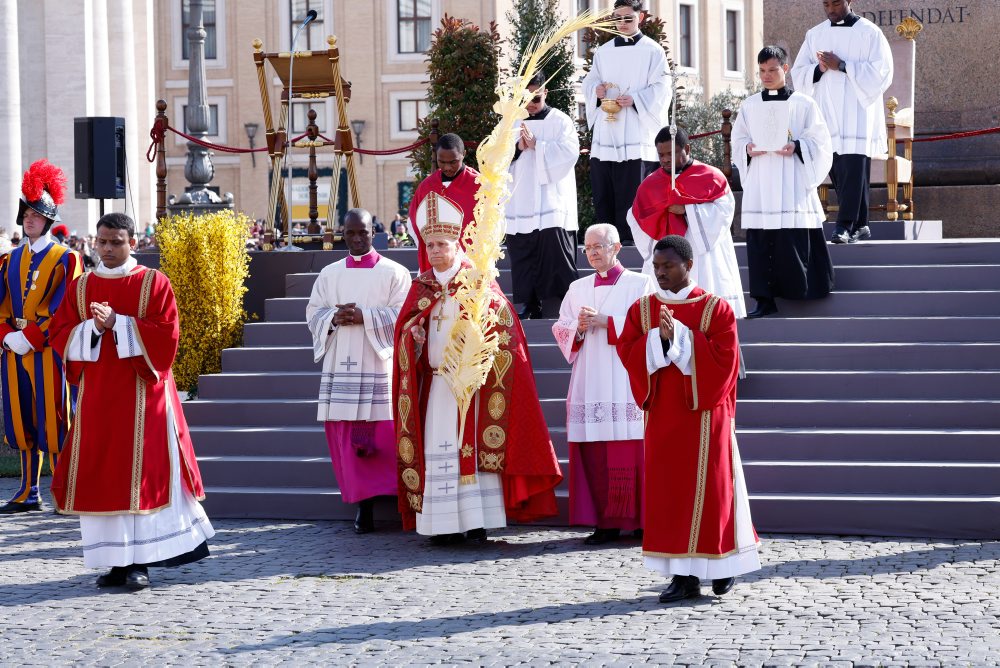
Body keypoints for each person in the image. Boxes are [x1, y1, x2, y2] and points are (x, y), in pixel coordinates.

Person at [48, 212, 214, 590]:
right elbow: (60, 335)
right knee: (103, 476)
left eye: (116, 242)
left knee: (141, 477)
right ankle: (115, 563)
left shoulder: (154, 282)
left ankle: (141, 563)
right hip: (97, 399)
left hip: (144, 398)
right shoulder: (81, 287)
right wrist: (92, 328)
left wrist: (118, 323)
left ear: (133, 243)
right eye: (102, 241)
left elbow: (167, 337)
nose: (107, 249)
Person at [393, 195, 562, 545]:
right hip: (437, 385)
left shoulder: (477, 282)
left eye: (442, 244)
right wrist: (415, 338)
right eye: (429, 245)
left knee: (469, 448)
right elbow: (405, 331)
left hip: (473, 387)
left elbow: (505, 327)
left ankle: (476, 522)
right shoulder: (421, 286)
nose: (435, 250)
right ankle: (441, 525)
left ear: (456, 244)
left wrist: (478, 339)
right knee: (439, 450)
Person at [617, 235, 760, 603]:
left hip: (706, 416)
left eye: (668, 266)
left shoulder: (716, 309)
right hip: (664, 418)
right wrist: (659, 341)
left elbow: (724, 363)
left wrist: (678, 337)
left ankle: (723, 565)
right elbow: (627, 351)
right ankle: (683, 577)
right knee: (670, 495)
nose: (660, 272)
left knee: (712, 492)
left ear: (689, 266)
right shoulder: (642, 310)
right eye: (656, 266)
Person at [305, 208, 412, 533]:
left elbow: (405, 314)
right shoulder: (330, 274)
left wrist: (365, 316)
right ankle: (362, 506)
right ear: (343, 234)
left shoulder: (395, 273)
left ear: (373, 232)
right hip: (342, 363)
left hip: (378, 363)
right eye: (350, 233)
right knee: (349, 438)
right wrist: (333, 318)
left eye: (362, 232)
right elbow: (313, 312)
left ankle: (402, 500)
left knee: (385, 435)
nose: (356, 238)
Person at [551, 223, 655, 545]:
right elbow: (561, 327)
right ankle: (605, 523)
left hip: (626, 378)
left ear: (617, 247)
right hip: (590, 377)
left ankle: (642, 522)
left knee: (632, 451)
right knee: (597, 455)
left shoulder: (640, 283)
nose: (593, 252)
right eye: (588, 247)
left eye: (599, 246)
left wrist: (607, 322)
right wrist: (578, 328)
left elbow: (651, 325)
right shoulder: (577, 288)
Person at [0, 160, 81, 514]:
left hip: (47, 350)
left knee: (55, 418)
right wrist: (6, 336)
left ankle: (64, 492)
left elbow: (64, 308)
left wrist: (31, 337)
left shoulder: (67, 258)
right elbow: (1, 305)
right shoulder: (10, 259)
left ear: (48, 219)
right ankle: (28, 492)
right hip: (13, 350)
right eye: (26, 214)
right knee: (21, 419)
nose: (29, 219)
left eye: (36, 214)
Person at [734, 46, 835, 318]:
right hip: (761, 180)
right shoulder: (750, 105)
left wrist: (798, 146)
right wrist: (747, 148)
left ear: (786, 69)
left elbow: (821, 141)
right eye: (762, 71)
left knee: (791, 236)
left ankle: (800, 293)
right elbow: (738, 139)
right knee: (760, 241)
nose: (766, 76)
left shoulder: (804, 104)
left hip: (792, 180)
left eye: (772, 70)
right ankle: (764, 300)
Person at [791, 0, 892, 244]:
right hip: (827, 111)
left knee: (854, 166)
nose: (831, 9)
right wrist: (820, 69)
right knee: (837, 167)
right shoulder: (815, 34)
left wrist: (843, 66)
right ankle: (860, 224)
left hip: (857, 112)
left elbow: (882, 72)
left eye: (836, 3)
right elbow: (799, 72)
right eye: (826, 4)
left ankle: (844, 226)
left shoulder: (869, 32)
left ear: (849, 1)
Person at [628, 127, 746, 319]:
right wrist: (659, 211)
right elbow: (635, 216)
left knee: (707, 317)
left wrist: (688, 210)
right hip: (666, 254)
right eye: (661, 155)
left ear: (687, 149)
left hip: (703, 256)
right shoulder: (650, 183)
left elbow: (724, 211)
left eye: (671, 153)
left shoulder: (711, 176)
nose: (665, 159)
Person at [582, 0, 670, 244]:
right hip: (607, 132)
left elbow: (662, 88)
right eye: (617, 18)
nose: (622, 23)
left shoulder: (653, 51)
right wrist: (596, 91)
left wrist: (636, 99)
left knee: (632, 198)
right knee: (605, 196)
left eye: (628, 18)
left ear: (640, 18)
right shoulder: (603, 51)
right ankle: (605, 245)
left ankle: (634, 247)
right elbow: (590, 82)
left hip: (635, 133)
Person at [505, 71, 580, 320]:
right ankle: (528, 302)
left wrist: (539, 145)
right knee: (523, 253)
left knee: (554, 252)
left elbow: (570, 153)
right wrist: (518, 147)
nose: (531, 104)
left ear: (545, 92)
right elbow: (496, 156)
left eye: (536, 98)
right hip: (520, 199)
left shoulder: (560, 121)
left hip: (551, 200)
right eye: (525, 99)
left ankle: (564, 302)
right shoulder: (511, 122)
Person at [408, 133, 481, 272]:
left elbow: (491, 224)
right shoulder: (427, 186)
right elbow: (414, 222)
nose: (447, 167)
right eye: (441, 162)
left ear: (464, 154)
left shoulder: (478, 184)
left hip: (470, 263)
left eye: (453, 162)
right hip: (436, 263)